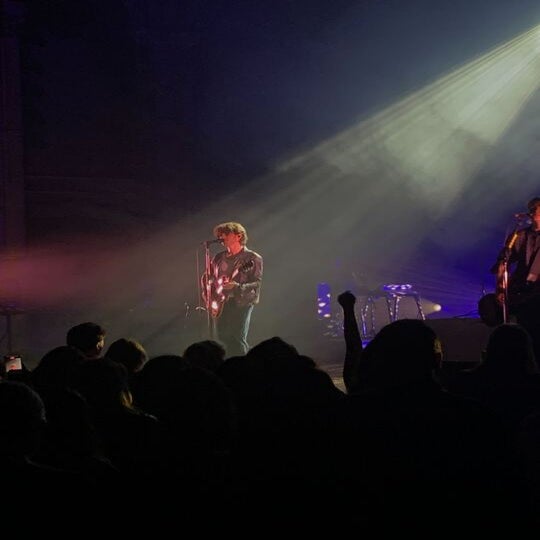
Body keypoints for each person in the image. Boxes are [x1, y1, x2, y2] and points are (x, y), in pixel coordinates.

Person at [202, 222, 263, 357]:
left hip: (241, 301)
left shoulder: (252, 258)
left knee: (237, 338)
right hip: (221, 302)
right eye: (219, 234)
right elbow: (207, 278)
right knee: (222, 337)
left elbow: (256, 283)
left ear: (238, 236)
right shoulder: (218, 258)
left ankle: (242, 366)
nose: (220, 237)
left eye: (225, 233)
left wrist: (237, 286)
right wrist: (209, 298)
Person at [490, 196, 540, 358]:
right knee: (525, 335)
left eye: (536, 208)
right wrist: (500, 288)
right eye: (531, 208)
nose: (532, 212)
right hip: (524, 294)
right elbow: (503, 263)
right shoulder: (519, 235)